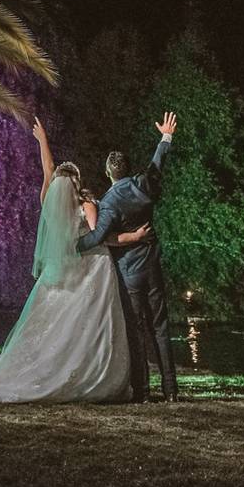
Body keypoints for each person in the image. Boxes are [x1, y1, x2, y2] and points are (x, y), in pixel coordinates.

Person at [0, 117, 147, 403]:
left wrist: (43, 141)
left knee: (55, 324)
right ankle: (87, 372)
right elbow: (103, 236)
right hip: (91, 270)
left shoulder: (48, 207)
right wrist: (133, 238)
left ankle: (49, 367)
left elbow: (47, 172)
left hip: (61, 271)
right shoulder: (86, 205)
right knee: (87, 324)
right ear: (76, 183)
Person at [76, 112, 178, 402]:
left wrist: (71, 246)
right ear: (128, 169)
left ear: (108, 173)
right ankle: (171, 391)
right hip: (153, 265)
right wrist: (166, 136)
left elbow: (97, 238)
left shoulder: (108, 202)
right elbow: (158, 165)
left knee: (136, 331)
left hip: (129, 273)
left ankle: (143, 392)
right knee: (161, 328)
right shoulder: (142, 185)